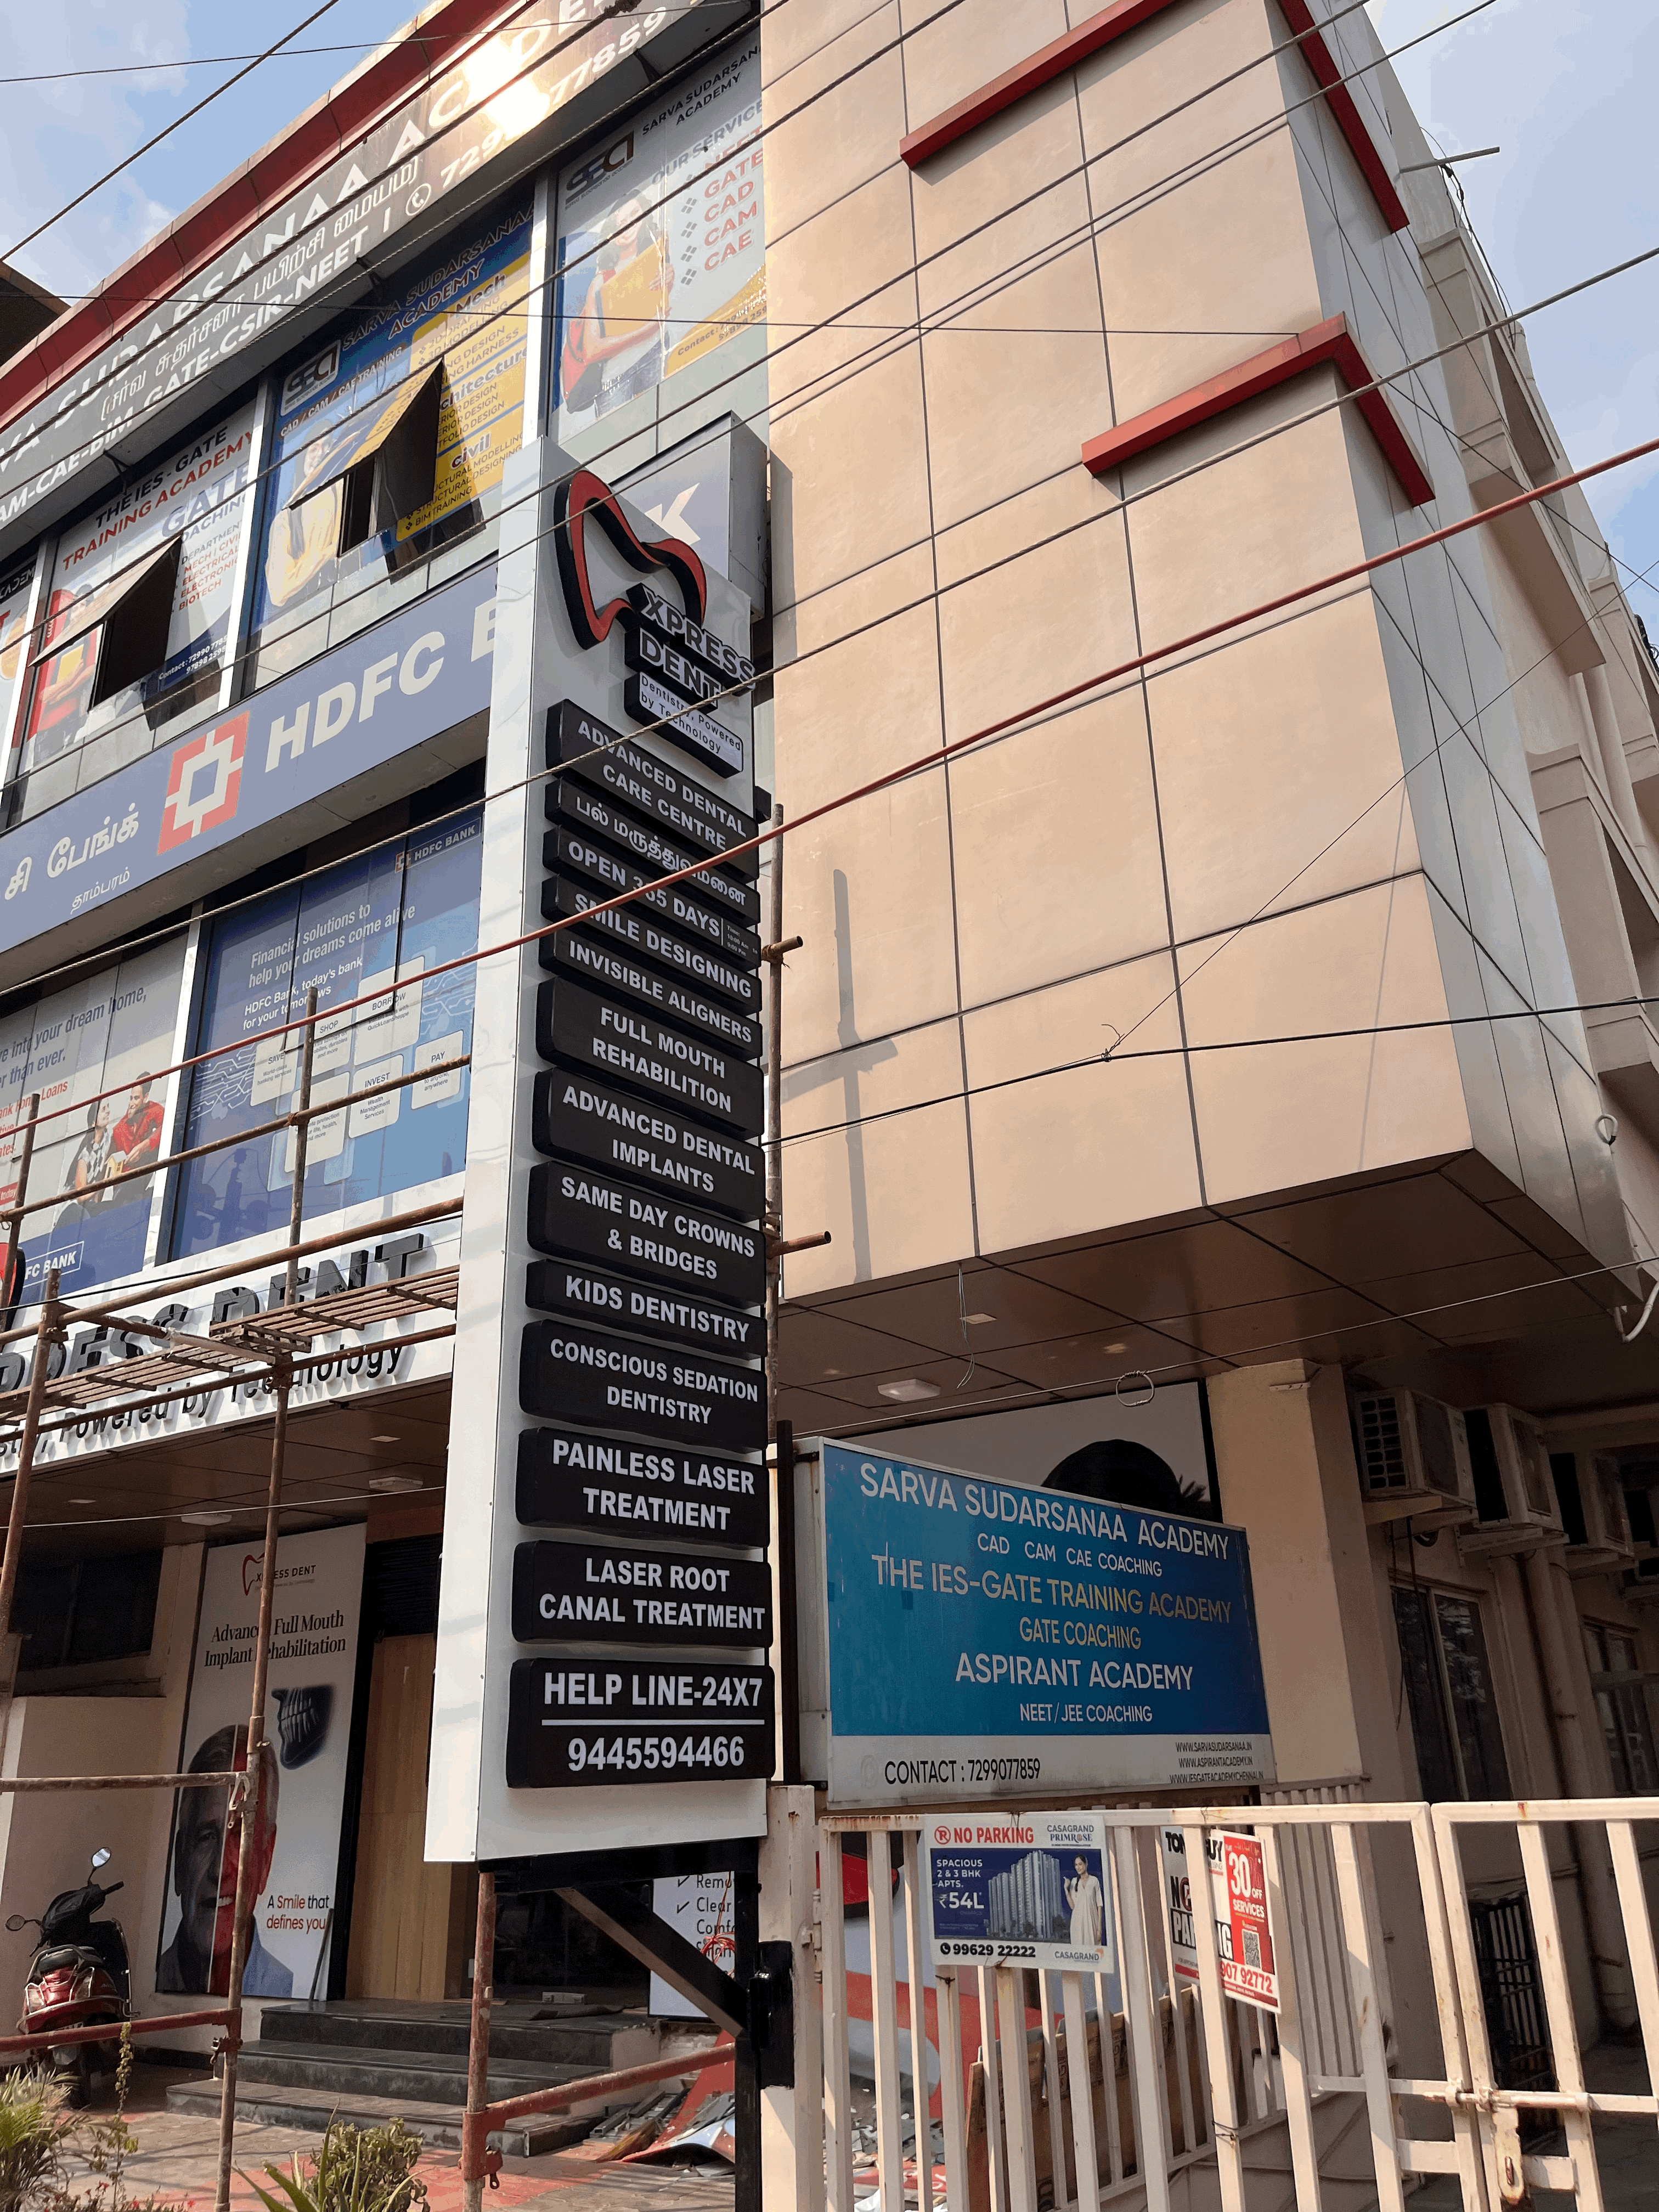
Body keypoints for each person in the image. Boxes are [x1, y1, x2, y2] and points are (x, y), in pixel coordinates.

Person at [155, 1725, 294, 1998]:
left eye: (242, 1836)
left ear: (266, 1859)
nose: (220, 1871)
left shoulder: (285, 1989)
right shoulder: (149, 1981)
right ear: (180, 1861)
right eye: (206, 1837)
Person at [560, 197, 674, 416]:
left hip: (656, 349)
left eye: (634, 215)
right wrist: (645, 330)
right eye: (618, 223)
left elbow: (661, 301)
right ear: (611, 235)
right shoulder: (601, 282)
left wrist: (670, 277)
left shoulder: (655, 255)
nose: (628, 226)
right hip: (617, 376)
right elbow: (592, 350)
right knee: (618, 445)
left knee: (665, 429)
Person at [109, 1076, 163, 1178]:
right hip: (126, 1183)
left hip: (145, 1174)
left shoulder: (154, 1110)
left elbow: (169, 1125)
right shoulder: (120, 1129)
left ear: (146, 1098)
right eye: (131, 1098)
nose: (132, 1103)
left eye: (137, 1098)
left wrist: (145, 1145)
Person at [1065, 1854, 1104, 1952]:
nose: (1078, 1867)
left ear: (1086, 1865)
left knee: (1095, 1953)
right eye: (1076, 1865)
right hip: (1077, 1924)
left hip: (1092, 1922)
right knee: (1079, 1955)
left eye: (1080, 1864)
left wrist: (1099, 1929)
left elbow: (1100, 1905)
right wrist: (1066, 1889)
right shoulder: (1074, 1882)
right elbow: (1072, 1906)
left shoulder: (1094, 1881)